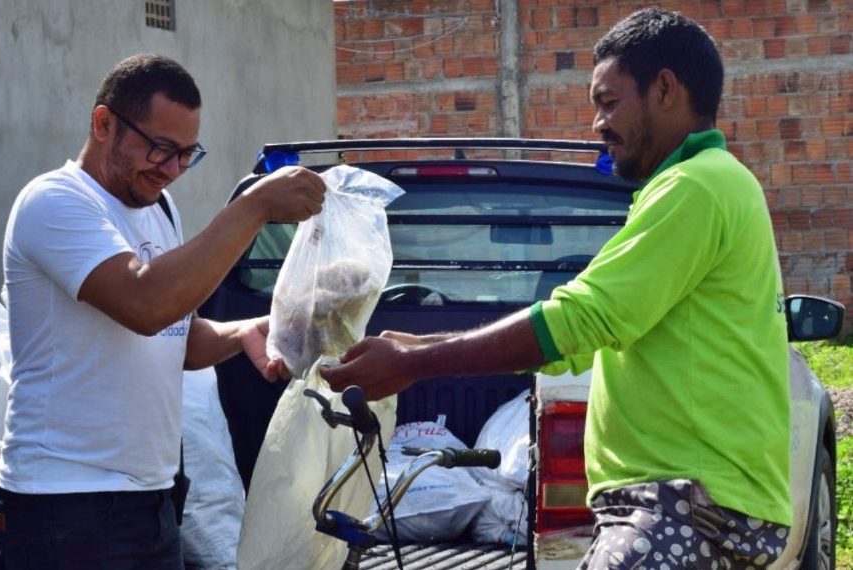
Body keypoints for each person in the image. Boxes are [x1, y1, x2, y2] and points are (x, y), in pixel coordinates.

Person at [322, 8, 791, 569]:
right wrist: (419, 347)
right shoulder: (710, 184)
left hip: (685, 503)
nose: (597, 123)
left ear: (665, 89)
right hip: (688, 503)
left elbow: (581, 319)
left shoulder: (695, 186)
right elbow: (587, 335)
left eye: (609, 102)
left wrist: (415, 364)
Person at [0, 53, 325, 569]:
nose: (171, 171)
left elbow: (177, 337)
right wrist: (254, 206)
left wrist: (246, 332)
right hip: (64, 507)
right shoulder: (54, 202)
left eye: (187, 154)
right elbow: (146, 305)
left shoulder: (159, 208)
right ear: (104, 124)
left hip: (153, 502)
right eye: (160, 149)